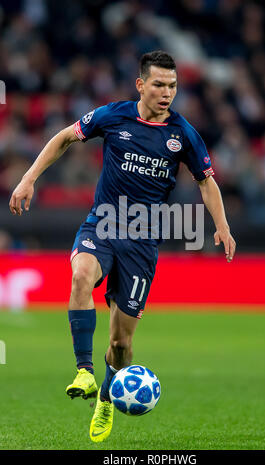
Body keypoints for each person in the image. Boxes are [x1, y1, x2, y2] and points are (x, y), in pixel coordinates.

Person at [9, 50, 236, 443]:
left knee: (120, 342)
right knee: (81, 274)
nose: (167, 93)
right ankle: (84, 370)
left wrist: (222, 226)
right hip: (103, 223)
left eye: (173, 86)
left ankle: (109, 400)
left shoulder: (183, 134)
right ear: (141, 85)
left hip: (143, 241)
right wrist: (29, 178)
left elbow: (205, 180)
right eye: (160, 85)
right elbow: (64, 137)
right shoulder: (113, 116)